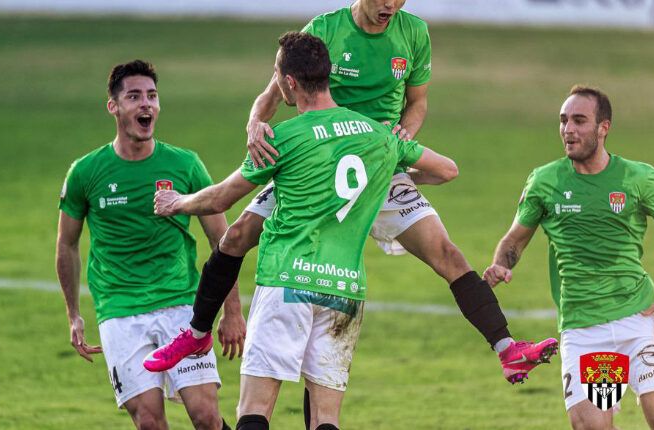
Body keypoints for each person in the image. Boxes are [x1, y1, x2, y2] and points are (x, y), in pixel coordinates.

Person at [147, 0, 557, 399]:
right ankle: (198, 335)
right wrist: (255, 124)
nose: (390, 6)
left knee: (447, 254)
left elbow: (417, 103)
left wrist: (404, 136)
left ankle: (508, 350)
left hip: (379, 159)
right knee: (235, 236)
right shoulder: (323, 29)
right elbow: (272, 94)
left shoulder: (414, 32)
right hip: (317, 161)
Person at [145, 31, 464, 430]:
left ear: (289, 83)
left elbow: (222, 199)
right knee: (325, 420)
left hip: (287, 282)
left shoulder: (285, 138)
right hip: (344, 291)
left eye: (276, 76)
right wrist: (386, 175)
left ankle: (196, 331)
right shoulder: (378, 134)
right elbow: (448, 169)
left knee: (254, 412)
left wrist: (179, 202)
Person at [55, 60, 244, 430]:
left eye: (152, 96)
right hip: (120, 310)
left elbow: (222, 240)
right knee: (149, 422)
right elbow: (67, 244)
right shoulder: (86, 172)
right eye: (134, 96)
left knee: (206, 416)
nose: (146, 105)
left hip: (182, 305)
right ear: (113, 106)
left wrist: (232, 311)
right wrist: (73, 313)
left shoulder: (185, 165)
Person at [484, 85, 654, 429]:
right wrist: (501, 263)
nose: (568, 129)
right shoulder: (546, 181)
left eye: (579, 120)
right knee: (594, 425)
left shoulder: (638, 178)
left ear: (603, 128)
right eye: (563, 121)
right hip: (585, 329)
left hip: (638, 320)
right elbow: (514, 240)